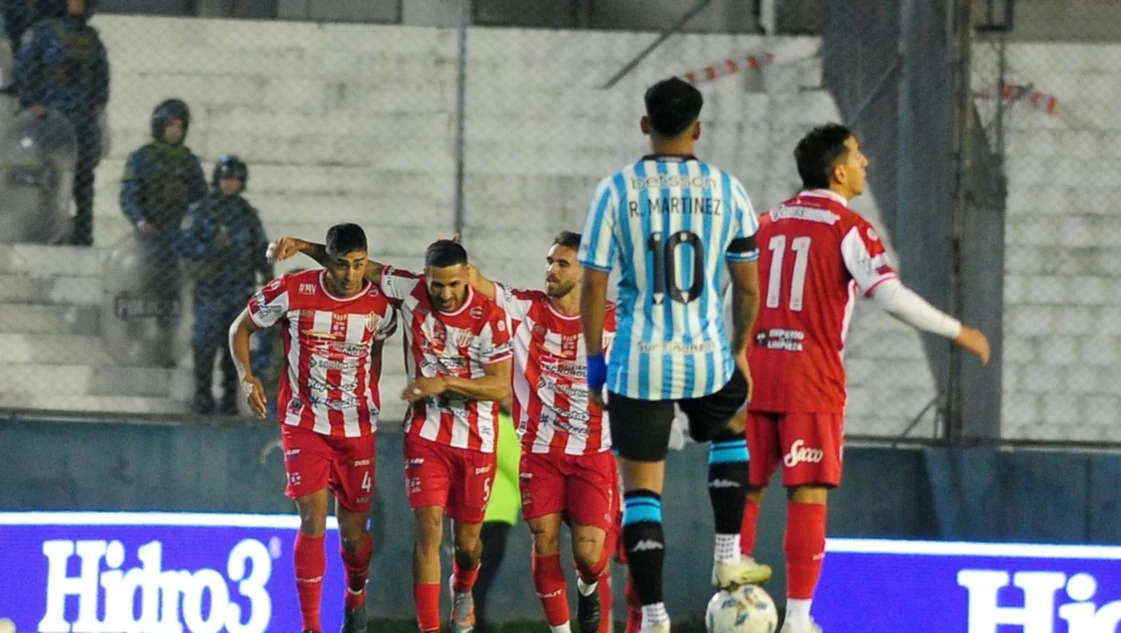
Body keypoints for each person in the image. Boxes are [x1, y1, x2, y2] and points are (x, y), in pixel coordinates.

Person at [733, 123, 991, 633]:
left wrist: (734, 356)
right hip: (810, 382)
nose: (867, 162)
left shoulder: (765, 222)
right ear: (838, 170)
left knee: (748, 489)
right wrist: (956, 330)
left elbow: (738, 295)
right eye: (858, 153)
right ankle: (798, 621)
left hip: (754, 373)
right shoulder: (848, 227)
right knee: (807, 493)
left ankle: (733, 603)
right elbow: (888, 295)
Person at [577, 76, 764, 633]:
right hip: (706, 354)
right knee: (734, 424)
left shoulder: (616, 190)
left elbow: (593, 287)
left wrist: (595, 364)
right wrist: (739, 347)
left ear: (645, 125)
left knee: (641, 493)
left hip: (639, 360)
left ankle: (654, 615)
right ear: (698, 129)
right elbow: (749, 287)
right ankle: (727, 554)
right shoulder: (728, 189)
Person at [271, 236, 513, 633]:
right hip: (426, 434)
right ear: (426, 277)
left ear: (467, 277)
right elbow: (355, 265)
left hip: (476, 439)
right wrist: (300, 246)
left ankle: (464, 588)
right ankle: (430, 628)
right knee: (428, 530)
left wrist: (443, 382)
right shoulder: (411, 291)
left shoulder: (491, 315)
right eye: (437, 284)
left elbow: (501, 386)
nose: (445, 293)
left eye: (453, 285)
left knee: (468, 547)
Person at [229, 223, 398, 633]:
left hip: (356, 427)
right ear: (330, 261)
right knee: (311, 520)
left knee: (355, 540)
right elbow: (241, 328)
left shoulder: (381, 305)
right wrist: (247, 377)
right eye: (342, 264)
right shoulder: (293, 290)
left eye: (359, 264)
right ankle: (310, 626)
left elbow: (377, 348)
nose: (350, 274)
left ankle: (356, 594)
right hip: (304, 423)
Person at [468, 230, 618, 633]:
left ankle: (587, 589)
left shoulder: (614, 319)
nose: (551, 270)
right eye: (549, 262)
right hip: (539, 452)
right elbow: (479, 283)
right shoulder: (525, 310)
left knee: (588, 555)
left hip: (591, 453)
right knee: (543, 542)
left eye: (561, 263)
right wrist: (459, 263)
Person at [178, 154, 272, 415]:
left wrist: (268, 276)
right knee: (205, 344)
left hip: (239, 290)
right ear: (217, 180)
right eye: (226, 179)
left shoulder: (247, 214)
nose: (230, 184)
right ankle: (203, 395)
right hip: (210, 289)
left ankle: (230, 398)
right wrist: (209, 248)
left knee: (235, 347)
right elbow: (183, 244)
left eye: (235, 180)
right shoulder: (201, 211)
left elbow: (261, 247)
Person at [12, 0, 108, 245]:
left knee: (84, 177)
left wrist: (98, 106)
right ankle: (47, 230)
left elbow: (100, 75)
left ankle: (83, 231)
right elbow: (24, 66)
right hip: (52, 117)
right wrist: (31, 101)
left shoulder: (92, 38)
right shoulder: (44, 32)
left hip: (82, 117)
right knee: (49, 176)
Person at [472, 403, 521, 633]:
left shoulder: (477, 421)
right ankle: (477, 626)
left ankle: (470, 623)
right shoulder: (502, 423)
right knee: (481, 579)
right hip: (497, 512)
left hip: (474, 509)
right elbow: (517, 466)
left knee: (470, 575)